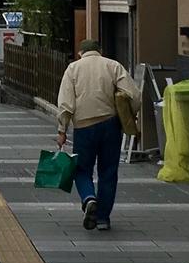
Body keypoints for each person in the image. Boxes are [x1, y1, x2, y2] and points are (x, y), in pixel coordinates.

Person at [55, 39, 138, 232]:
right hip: (110, 125)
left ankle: (89, 198)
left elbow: (65, 103)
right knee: (108, 172)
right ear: (100, 51)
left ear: (80, 53)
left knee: (81, 169)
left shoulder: (73, 69)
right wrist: (129, 115)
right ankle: (102, 219)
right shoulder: (113, 65)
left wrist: (62, 130)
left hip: (84, 127)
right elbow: (133, 94)